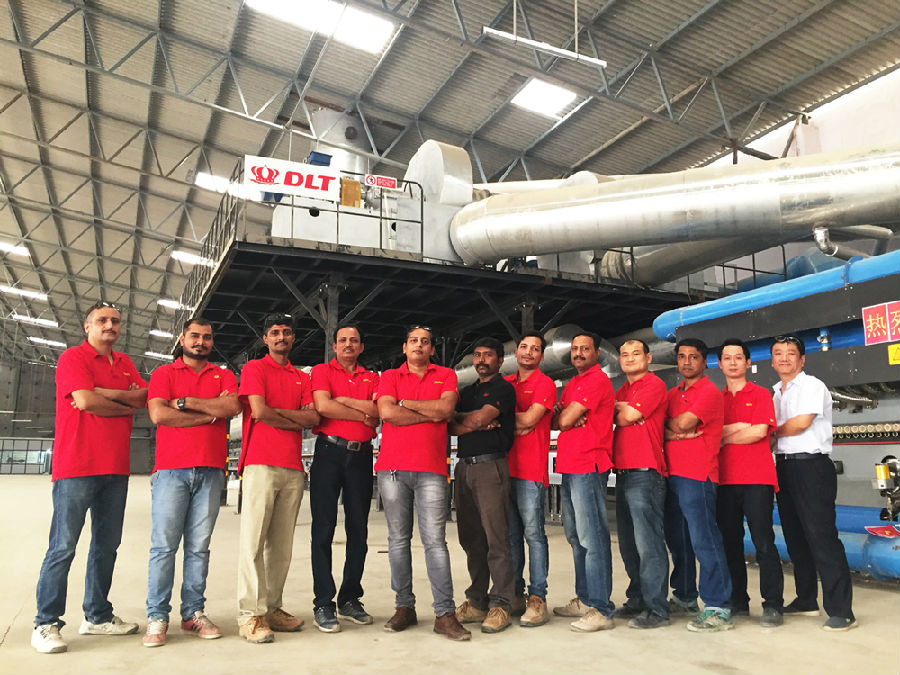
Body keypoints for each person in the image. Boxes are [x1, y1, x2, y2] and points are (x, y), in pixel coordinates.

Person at [32, 301, 148, 654]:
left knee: (106, 546)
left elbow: (143, 397)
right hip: (76, 467)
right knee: (63, 546)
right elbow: (84, 401)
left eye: (115, 321)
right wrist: (122, 405)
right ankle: (45, 623)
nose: (109, 325)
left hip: (115, 469)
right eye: (102, 320)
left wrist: (108, 394)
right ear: (88, 326)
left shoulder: (125, 363)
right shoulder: (73, 358)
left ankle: (97, 616)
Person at [142, 318, 241, 647]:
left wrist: (186, 403)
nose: (201, 342)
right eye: (195, 336)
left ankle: (192, 613)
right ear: (182, 339)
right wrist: (210, 414)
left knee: (199, 547)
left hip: (211, 470)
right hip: (171, 471)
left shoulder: (223, 375)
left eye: (207, 337)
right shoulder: (164, 374)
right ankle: (157, 616)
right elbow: (159, 415)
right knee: (164, 547)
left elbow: (232, 406)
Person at [375, 326, 470, 641]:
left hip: (432, 470)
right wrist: (430, 414)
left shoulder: (446, 375)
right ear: (404, 347)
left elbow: (446, 409)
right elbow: (387, 413)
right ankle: (404, 607)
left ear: (431, 349)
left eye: (425, 342)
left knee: (435, 543)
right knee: (398, 541)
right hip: (393, 470)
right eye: (413, 341)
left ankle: (444, 613)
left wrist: (406, 404)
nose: (419, 345)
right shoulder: (390, 376)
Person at [236, 314, 319, 644]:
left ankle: (271, 608)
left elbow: (312, 417)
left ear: (293, 338)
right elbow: (258, 411)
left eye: (286, 332)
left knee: (281, 546)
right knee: (253, 542)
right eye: (274, 332)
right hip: (260, 464)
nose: (281, 337)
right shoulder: (254, 369)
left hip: (292, 467)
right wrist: (292, 417)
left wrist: (277, 414)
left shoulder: (302, 377)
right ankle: (249, 614)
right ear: (265, 339)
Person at [770, 334, 855, 631]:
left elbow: (800, 423)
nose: (784, 358)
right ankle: (806, 599)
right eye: (778, 353)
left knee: (822, 537)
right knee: (795, 537)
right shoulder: (776, 394)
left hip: (811, 467)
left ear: (802, 359)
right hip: (784, 466)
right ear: (772, 360)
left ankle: (842, 610)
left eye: (790, 353)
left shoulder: (812, 385)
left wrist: (769, 433)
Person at [309, 324, 379, 633]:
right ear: (334, 346)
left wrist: (344, 401)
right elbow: (323, 406)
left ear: (361, 347)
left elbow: (378, 412)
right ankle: (324, 601)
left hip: (361, 456)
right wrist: (362, 411)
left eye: (354, 340)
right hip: (329, 453)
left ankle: (350, 598)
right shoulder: (321, 371)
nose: (348, 344)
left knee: (359, 529)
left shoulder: (372, 377)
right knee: (323, 528)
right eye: (342, 340)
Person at [663, 338, 732, 632]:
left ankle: (718, 606)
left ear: (704, 362)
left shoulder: (710, 392)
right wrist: (675, 431)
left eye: (693, 357)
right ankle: (685, 596)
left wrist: (674, 428)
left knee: (704, 540)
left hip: (698, 474)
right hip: (671, 474)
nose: (687, 362)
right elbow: (662, 426)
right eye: (682, 356)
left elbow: (682, 424)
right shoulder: (672, 394)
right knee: (678, 540)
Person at [450, 337, 517, 634]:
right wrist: (471, 422)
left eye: (487, 355)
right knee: (471, 538)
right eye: (477, 355)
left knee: (495, 537)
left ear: (499, 360)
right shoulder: (467, 392)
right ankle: (477, 600)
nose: (481, 360)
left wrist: (471, 421)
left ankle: (501, 602)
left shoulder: (504, 389)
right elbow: (450, 424)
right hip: (464, 467)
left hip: (491, 467)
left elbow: (480, 418)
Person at [551, 331, 616, 633]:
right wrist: (567, 415)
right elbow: (556, 420)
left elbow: (563, 420)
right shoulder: (572, 384)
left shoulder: (596, 380)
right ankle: (586, 598)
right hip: (569, 465)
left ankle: (601, 608)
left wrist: (567, 416)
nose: (578, 353)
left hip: (589, 465)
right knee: (576, 538)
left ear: (596, 353)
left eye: (584, 349)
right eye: (575, 348)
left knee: (593, 539)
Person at [716, 338, 783, 628]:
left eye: (738, 357)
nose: (733, 363)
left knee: (763, 542)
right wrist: (739, 428)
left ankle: (773, 604)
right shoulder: (716, 399)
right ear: (720, 364)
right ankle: (738, 602)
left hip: (757, 479)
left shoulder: (760, 394)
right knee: (729, 543)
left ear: (747, 362)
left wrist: (725, 434)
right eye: (727, 358)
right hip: (724, 480)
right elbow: (713, 436)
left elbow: (758, 433)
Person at [612, 339, 670, 630]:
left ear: (648, 358)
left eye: (636, 353)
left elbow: (628, 417)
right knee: (628, 543)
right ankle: (636, 598)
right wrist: (620, 407)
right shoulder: (622, 390)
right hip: (622, 472)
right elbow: (618, 414)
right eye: (624, 354)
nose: (630, 358)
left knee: (648, 543)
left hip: (646, 472)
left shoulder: (654, 385)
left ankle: (657, 608)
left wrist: (621, 410)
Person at [505, 331, 557, 627]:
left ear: (541, 356)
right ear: (516, 352)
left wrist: (505, 421)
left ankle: (538, 597)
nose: (528, 352)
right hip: (504, 470)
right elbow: (521, 422)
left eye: (535, 349)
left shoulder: (545, 384)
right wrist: (518, 423)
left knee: (534, 536)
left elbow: (528, 420)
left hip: (530, 472)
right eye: (524, 347)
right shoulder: (506, 383)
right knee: (511, 537)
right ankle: (514, 594)